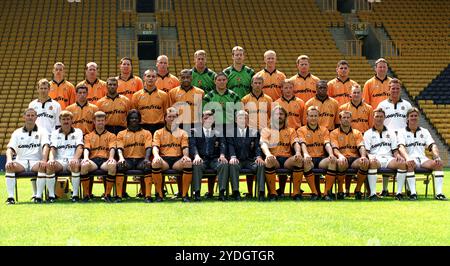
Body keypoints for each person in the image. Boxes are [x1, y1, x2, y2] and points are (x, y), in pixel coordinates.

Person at [397, 108, 446, 200]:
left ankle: (439, 194)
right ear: (407, 118)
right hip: (411, 158)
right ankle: (413, 194)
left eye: (415, 116)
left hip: (422, 158)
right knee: (410, 164)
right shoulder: (401, 131)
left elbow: (432, 145)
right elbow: (401, 147)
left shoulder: (424, 131)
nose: (414, 118)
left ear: (418, 117)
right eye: (411, 116)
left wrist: (437, 156)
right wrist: (407, 158)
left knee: (438, 164)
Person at [4, 108, 50, 204]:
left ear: (36, 117)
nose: (30, 117)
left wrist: (44, 160)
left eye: (32, 115)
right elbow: (10, 149)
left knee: (42, 166)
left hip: (36, 161)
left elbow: (46, 146)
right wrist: (9, 160)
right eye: (28, 115)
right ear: (24, 117)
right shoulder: (17, 132)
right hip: (21, 162)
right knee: (9, 167)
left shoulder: (42, 131)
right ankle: (11, 198)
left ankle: (38, 197)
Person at [377, 78, 412, 196]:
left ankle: (408, 188)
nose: (395, 90)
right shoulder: (382, 104)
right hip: (387, 138)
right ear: (388, 89)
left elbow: (410, 122)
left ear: (400, 89)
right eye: (393, 88)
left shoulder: (407, 105)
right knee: (387, 161)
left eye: (397, 88)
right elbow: (379, 121)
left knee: (404, 162)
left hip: (402, 138)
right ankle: (385, 189)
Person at [260, 106, 303, 201]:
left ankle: (296, 193)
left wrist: (298, 152)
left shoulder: (291, 130)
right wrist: (268, 154)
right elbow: (263, 144)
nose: (279, 116)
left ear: (285, 117)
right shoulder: (266, 130)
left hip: (287, 159)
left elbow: (295, 143)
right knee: (268, 161)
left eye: (281, 114)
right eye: (276, 114)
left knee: (299, 160)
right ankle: (273, 193)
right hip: (274, 158)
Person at [363, 108, 407, 200]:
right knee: (372, 163)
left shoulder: (391, 132)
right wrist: (370, 156)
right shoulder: (368, 133)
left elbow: (394, 150)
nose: (379, 119)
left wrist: (398, 156)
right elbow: (366, 151)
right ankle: (373, 194)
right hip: (376, 158)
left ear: (384, 118)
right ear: (373, 118)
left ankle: (398, 193)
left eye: (381, 117)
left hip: (388, 158)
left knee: (402, 163)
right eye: (377, 116)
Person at [152, 107, 193, 202]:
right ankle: (159, 194)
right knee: (155, 163)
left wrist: (186, 156)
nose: (172, 119)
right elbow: (155, 147)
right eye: (169, 116)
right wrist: (156, 156)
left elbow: (185, 147)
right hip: (164, 160)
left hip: (177, 160)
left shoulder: (183, 133)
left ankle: (184, 195)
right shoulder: (158, 132)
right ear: (165, 118)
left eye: (174, 117)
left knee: (188, 163)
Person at [298, 106, 337, 201]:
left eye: (315, 116)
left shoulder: (324, 130)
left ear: (318, 117)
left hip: (321, 159)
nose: (313, 118)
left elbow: (327, 144)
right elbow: (302, 143)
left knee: (333, 161)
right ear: (307, 117)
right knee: (306, 163)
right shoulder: (301, 130)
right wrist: (306, 154)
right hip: (309, 158)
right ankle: (314, 193)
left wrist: (331, 154)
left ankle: (326, 194)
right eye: (311, 116)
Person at [189, 110, 228, 201]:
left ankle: (222, 193)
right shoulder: (194, 131)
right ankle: (197, 193)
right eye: (205, 118)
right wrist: (196, 156)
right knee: (196, 164)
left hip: (214, 159)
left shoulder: (218, 131)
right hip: (201, 158)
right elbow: (192, 145)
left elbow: (223, 144)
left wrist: (222, 155)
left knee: (224, 164)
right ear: (201, 120)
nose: (207, 120)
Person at [46, 110, 84, 202]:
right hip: (59, 161)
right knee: (49, 165)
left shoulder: (78, 131)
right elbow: (53, 148)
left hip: (72, 160)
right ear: (60, 120)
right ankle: (51, 195)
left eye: (68, 119)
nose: (66, 121)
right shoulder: (55, 133)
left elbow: (80, 147)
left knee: (75, 165)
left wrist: (75, 159)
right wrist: (51, 159)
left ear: (72, 120)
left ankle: (75, 195)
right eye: (63, 119)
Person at [330, 110, 369, 200]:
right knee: (341, 163)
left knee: (364, 162)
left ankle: (358, 190)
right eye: (344, 117)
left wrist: (363, 156)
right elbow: (334, 149)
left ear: (351, 119)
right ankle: (340, 191)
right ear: (340, 120)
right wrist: (340, 156)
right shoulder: (334, 133)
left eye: (348, 118)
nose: (346, 119)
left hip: (354, 158)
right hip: (341, 158)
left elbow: (361, 146)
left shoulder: (357, 133)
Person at [116, 110, 153, 203]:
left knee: (148, 166)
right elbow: (119, 148)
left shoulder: (147, 133)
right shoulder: (121, 133)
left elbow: (148, 147)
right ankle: (119, 196)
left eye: (136, 118)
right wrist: (121, 158)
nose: (134, 120)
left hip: (141, 160)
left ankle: (148, 196)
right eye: (132, 118)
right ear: (128, 120)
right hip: (127, 160)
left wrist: (147, 159)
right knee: (120, 166)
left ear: (139, 119)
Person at [227, 110, 265, 200]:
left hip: (250, 160)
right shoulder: (230, 132)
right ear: (236, 120)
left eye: (245, 118)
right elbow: (230, 146)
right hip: (237, 160)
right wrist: (232, 157)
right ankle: (236, 192)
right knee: (233, 165)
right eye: (240, 118)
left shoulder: (254, 132)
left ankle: (261, 192)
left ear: (248, 120)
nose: (243, 120)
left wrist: (259, 156)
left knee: (260, 165)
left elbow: (257, 147)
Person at [80, 111, 117, 202]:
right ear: (94, 121)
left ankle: (107, 194)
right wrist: (85, 158)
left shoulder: (111, 135)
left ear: (105, 121)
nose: (100, 122)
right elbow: (86, 148)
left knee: (112, 165)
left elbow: (112, 148)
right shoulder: (88, 136)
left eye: (102, 120)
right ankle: (86, 195)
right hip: (93, 161)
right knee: (84, 165)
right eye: (98, 120)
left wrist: (111, 158)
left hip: (105, 160)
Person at [203, 72, 242, 137]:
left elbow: (239, 113)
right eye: (219, 80)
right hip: (214, 126)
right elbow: (203, 114)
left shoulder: (234, 96)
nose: (222, 82)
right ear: (215, 81)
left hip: (231, 126)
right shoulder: (208, 97)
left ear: (227, 81)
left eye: (224, 80)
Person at [131, 68, 169, 135]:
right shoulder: (136, 95)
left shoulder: (164, 95)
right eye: (148, 76)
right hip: (142, 127)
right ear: (144, 78)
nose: (150, 78)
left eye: (153, 76)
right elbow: (134, 114)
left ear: (156, 78)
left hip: (159, 127)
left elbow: (166, 113)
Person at [168, 69, 205, 134]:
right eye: (183, 77)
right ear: (179, 78)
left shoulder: (200, 92)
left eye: (188, 77)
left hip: (195, 125)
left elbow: (202, 111)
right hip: (178, 125)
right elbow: (170, 111)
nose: (185, 79)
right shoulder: (172, 92)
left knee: (193, 144)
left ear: (191, 78)